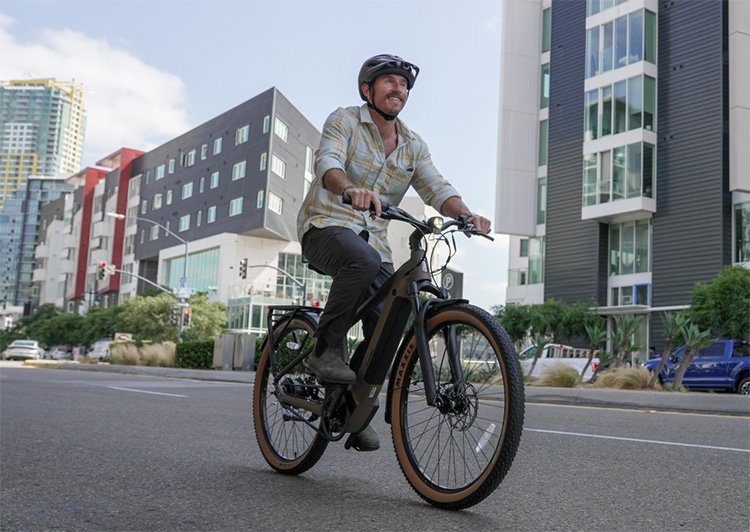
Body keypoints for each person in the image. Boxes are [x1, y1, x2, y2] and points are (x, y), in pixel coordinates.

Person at [296, 54, 491, 451]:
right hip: (325, 226)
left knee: (389, 320)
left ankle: (348, 409)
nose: (397, 89)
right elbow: (327, 163)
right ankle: (325, 350)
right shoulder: (345, 119)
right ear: (368, 90)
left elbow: (437, 188)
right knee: (363, 261)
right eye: (388, 81)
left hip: (376, 242)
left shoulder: (413, 146)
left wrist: (467, 214)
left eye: (403, 84)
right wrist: (349, 188)